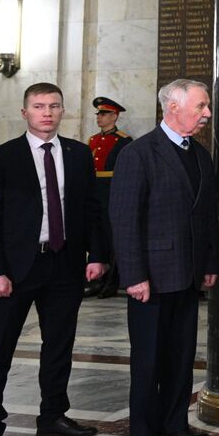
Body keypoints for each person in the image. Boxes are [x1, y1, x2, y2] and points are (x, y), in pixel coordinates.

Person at [0, 83, 108, 436]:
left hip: (64, 264)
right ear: (25, 112)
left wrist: (96, 255)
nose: (47, 112)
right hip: (14, 270)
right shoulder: (0, 158)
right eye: (38, 106)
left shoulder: (79, 155)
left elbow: (92, 210)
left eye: (54, 106)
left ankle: (52, 416)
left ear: (63, 111)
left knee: (59, 346)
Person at [109, 78, 219, 436]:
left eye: (206, 107)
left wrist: (208, 264)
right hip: (151, 278)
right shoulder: (139, 153)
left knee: (180, 355)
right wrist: (134, 275)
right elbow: (124, 220)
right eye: (201, 106)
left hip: (187, 277)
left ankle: (175, 423)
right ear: (173, 107)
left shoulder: (200, 155)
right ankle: (142, 433)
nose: (207, 114)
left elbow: (207, 219)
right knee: (148, 359)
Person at [86, 96, 131, 298]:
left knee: (113, 237)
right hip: (95, 191)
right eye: (98, 114)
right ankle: (97, 279)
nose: (100, 117)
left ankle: (111, 282)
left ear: (115, 115)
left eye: (104, 114)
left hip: (112, 191)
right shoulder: (93, 140)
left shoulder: (123, 141)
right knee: (97, 235)